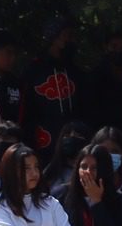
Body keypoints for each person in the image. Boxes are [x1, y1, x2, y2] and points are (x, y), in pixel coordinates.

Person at [24, 17, 81, 155]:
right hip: (42, 148)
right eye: (68, 36)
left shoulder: (77, 73)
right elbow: (26, 113)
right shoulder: (33, 71)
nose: (72, 41)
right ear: (54, 39)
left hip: (72, 148)